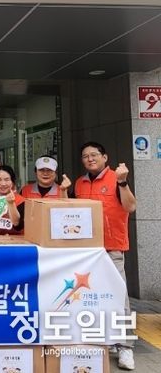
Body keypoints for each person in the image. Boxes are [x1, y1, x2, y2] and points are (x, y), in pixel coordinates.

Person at [71, 141, 137, 371]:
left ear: (105, 157)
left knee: (118, 298)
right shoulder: (79, 183)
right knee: (91, 298)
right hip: (86, 252)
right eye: (85, 156)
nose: (90, 159)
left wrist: (123, 182)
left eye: (94, 155)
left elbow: (130, 206)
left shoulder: (116, 179)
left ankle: (125, 346)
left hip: (111, 248)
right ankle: (104, 340)